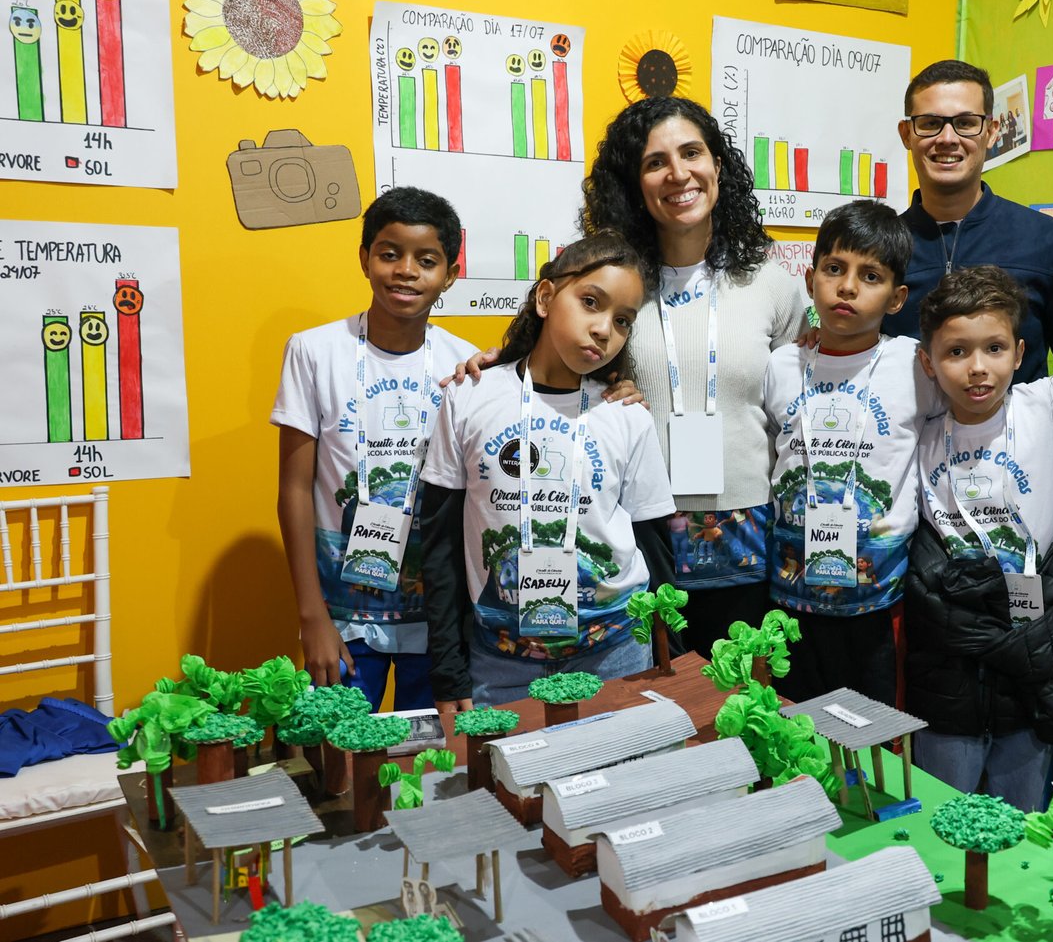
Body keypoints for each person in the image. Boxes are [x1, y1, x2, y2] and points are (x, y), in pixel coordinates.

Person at [459, 98, 809, 656]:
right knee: (657, 697)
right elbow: (550, 355)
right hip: (638, 537)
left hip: (749, 542)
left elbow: (797, 406)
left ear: (717, 165)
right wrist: (491, 364)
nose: (678, 174)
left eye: (691, 153)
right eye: (655, 162)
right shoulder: (615, 285)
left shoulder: (772, 284)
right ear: (634, 184)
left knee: (739, 697)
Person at [418, 233, 675, 712]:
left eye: (623, 320)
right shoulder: (470, 396)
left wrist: (668, 659)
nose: (604, 329)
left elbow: (654, 545)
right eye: (590, 302)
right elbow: (441, 544)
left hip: (616, 654)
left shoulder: (625, 414)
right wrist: (448, 672)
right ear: (545, 297)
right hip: (501, 663)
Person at [272, 187, 478, 710]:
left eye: (426, 260)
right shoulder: (314, 352)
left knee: (431, 752)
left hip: (436, 621)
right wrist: (311, 616)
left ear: (450, 274)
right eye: (389, 254)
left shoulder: (466, 365)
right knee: (343, 750)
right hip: (343, 617)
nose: (405, 271)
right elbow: (294, 489)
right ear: (364, 258)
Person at [903, 265, 1053, 812]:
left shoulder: (1045, 405)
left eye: (995, 348)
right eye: (957, 352)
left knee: (1021, 819)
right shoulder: (920, 427)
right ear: (929, 363)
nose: (978, 368)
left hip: (1031, 644)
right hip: (950, 655)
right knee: (942, 817)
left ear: (1020, 352)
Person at [763, 200, 936, 706]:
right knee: (794, 727)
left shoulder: (915, 366)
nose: (847, 287)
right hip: (790, 600)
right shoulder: (782, 365)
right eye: (834, 269)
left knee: (873, 734)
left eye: (870, 276)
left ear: (897, 297)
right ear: (811, 278)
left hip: (879, 604)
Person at [884, 59, 1053, 385]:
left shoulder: (1047, 240)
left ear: (992, 131)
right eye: (930, 123)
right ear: (906, 134)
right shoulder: (879, 248)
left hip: (1018, 419)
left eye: (966, 123)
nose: (947, 138)